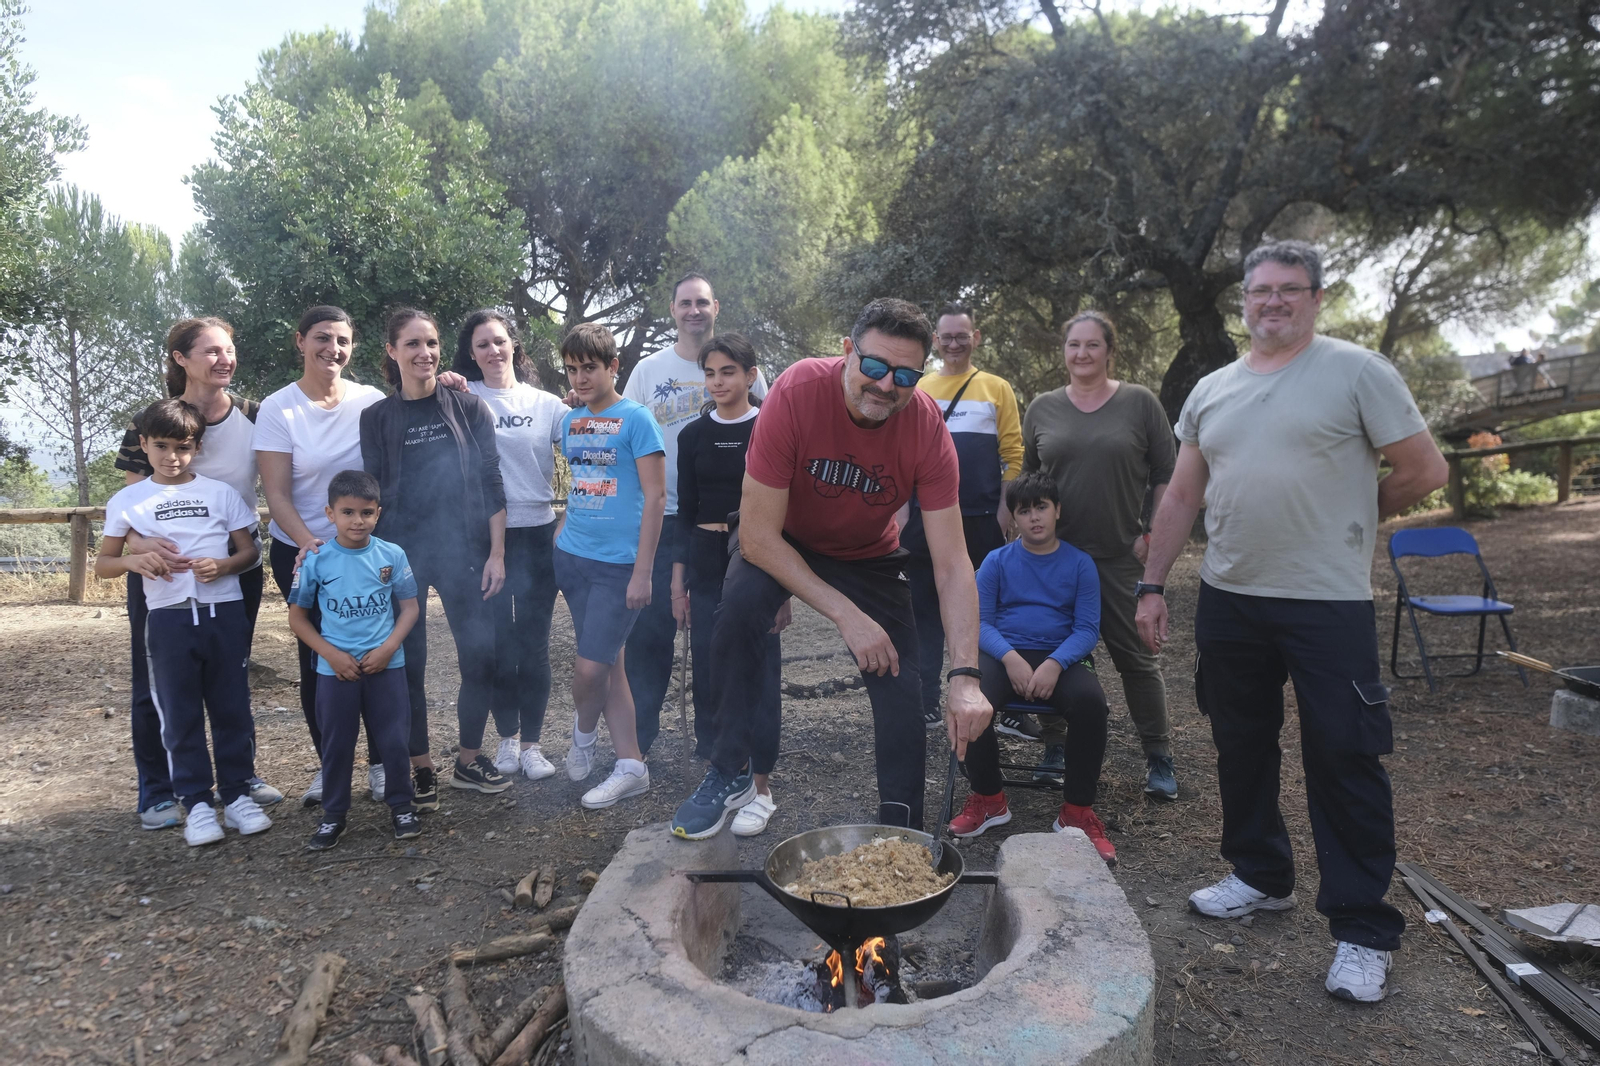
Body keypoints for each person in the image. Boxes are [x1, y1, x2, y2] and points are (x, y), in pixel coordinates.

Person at [1135, 239, 1448, 1004]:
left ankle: (1362, 932)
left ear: (1315, 297)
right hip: (1230, 597)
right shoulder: (1211, 390)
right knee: (1240, 744)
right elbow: (1181, 498)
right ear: (1244, 299)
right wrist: (1151, 585)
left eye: (1289, 289)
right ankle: (1259, 873)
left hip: (1326, 602)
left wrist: (1356, 516)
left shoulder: (1358, 373)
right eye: (1260, 290)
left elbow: (1424, 469)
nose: (1272, 301)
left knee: (1344, 755)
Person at [671, 298, 994, 841]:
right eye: (873, 366)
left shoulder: (926, 428)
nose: (886, 385)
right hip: (783, 537)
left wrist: (965, 676)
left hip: (868, 553)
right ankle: (730, 769)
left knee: (901, 685)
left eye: (906, 375)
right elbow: (756, 537)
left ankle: (903, 829)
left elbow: (952, 564)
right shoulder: (797, 392)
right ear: (847, 352)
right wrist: (847, 617)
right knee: (737, 611)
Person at [114, 317, 282, 829]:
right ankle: (159, 790)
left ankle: (240, 780)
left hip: (234, 571)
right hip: (161, 578)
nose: (224, 359)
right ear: (181, 358)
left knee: (229, 673)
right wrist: (143, 550)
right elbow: (127, 513)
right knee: (156, 683)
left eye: (229, 350)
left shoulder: (257, 415)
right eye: (211, 351)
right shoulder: (154, 423)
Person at [1022, 310, 1179, 798]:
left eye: (1092, 345)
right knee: (1048, 653)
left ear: (1110, 351)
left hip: (1117, 557)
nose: (1082, 354)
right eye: (1073, 345)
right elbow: (1031, 480)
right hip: (1054, 557)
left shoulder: (1139, 403)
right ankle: (1054, 746)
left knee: (1136, 659)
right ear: (1063, 351)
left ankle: (1159, 756)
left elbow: (1167, 474)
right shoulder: (1042, 408)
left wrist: (1152, 533)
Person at [361, 307, 509, 806]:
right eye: (412, 345)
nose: (424, 353)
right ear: (392, 351)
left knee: (481, 657)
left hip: (465, 551)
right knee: (410, 662)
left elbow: (492, 482)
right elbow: (375, 492)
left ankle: (469, 759)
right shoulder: (377, 418)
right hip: (403, 556)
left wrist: (497, 554)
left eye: (431, 343)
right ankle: (420, 764)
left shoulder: (468, 408)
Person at [621, 273, 768, 755]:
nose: (693, 311)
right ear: (673, 309)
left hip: (736, 524)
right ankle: (638, 746)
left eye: (702, 302)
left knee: (727, 635)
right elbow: (622, 430)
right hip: (662, 518)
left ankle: (724, 742)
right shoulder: (647, 369)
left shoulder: (746, 369)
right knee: (651, 637)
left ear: (715, 307)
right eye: (685, 303)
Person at [256, 307, 388, 806]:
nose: (333, 348)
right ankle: (329, 766)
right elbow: (277, 493)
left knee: (376, 657)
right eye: (322, 338)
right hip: (303, 552)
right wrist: (312, 545)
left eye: (343, 340)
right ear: (300, 341)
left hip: (365, 552)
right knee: (319, 664)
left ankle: (379, 764)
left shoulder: (371, 401)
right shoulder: (278, 408)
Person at [948, 472, 1114, 865]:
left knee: (1092, 704)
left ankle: (1077, 812)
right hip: (1005, 654)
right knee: (972, 700)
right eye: (1024, 511)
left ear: (1057, 510)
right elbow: (980, 622)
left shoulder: (1080, 564)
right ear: (1015, 518)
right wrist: (1011, 659)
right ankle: (989, 799)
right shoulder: (996, 561)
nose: (1034, 517)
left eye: (1042, 507)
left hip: (1062, 656)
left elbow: (1088, 628)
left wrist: (1055, 663)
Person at [671, 333, 787, 835]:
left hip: (756, 556)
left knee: (760, 670)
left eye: (729, 372)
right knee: (712, 670)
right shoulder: (691, 436)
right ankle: (725, 774)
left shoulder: (771, 427)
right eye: (711, 373)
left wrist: (782, 591)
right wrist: (679, 582)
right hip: (703, 556)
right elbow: (687, 511)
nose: (719, 382)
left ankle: (761, 789)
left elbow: (788, 514)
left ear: (750, 373)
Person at [553, 324, 667, 809]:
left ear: (613, 367)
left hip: (619, 568)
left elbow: (658, 496)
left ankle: (582, 735)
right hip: (573, 559)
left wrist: (643, 571)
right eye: (573, 369)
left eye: (590, 368)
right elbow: (585, 480)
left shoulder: (637, 419)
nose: (580, 378)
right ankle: (631, 765)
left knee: (589, 670)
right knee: (612, 666)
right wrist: (562, 529)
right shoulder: (570, 422)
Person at [454, 310, 569, 782]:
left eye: (500, 341)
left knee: (534, 645)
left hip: (539, 535)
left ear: (514, 347)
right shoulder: (460, 398)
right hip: (486, 540)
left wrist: (570, 520)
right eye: (482, 344)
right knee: (498, 644)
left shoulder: (547, 405)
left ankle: (532, 745)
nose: (493, 351)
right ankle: (504, 740)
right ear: (472, 353)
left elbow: (588, 459)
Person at [902, 303, 1023, 731]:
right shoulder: (919, 388)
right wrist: (900, 517)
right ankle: (927, 702)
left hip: (980, 518)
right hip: (923, 520)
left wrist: (1004, 514)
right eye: (946, 336)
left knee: (985, 611)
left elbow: (1013, 458)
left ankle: (994, 697)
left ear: (977, 338)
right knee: (925, 610)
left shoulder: (996, 388)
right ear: (934, 341)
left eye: (962, 335)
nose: (954, 343)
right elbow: (901, 454)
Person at [289, 470, 422, 850]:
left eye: (366, 512)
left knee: (394, 740)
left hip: (386, 666)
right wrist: (332, 655)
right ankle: (333, 816)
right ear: (330, 513)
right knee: (337, 744)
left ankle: (401, 807)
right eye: (347, 512)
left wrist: (387, 649)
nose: (357, 521)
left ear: (378, 513)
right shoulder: (315, 560)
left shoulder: (391, 555)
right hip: (336, 671)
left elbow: (409, 609)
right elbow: (297, 619)